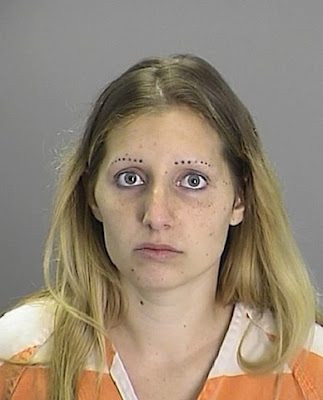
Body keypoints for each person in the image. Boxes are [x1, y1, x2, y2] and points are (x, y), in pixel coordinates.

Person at [0, 54, 322, 400]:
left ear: (239, 199)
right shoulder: (15, 358)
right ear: (91, 195)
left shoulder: (310, 368)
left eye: (193, 181)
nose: (156, 215)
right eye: (130, 178)